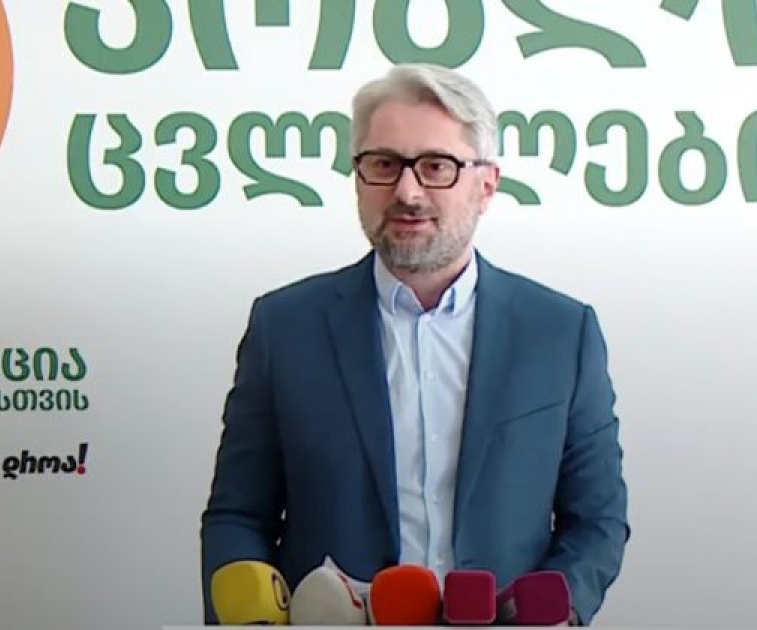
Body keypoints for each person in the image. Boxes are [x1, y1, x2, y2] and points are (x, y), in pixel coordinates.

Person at [199, 62, 630, 625]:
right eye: (384, 164)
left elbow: (596, 522)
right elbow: (238, 516)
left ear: (486, 185)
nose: (406, 191)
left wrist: (552, 616)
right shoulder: (285, 328)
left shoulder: (560, 333)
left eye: (436, 166)